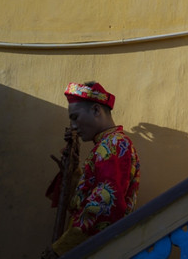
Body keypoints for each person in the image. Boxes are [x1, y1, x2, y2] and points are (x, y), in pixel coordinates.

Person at [41, 81, 140, 258]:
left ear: (96, 110)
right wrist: (71, 171)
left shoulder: (114, 144)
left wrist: (61, 248)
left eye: (75, 117)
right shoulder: (107, 145)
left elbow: (104, 205)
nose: (73, 126)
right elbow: (80, 204)